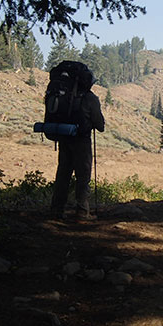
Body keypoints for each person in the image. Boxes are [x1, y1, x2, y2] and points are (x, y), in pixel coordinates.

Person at [50, 73, 105, 220]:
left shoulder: (65, 96)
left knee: (63, 174)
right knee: (83, 175)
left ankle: (56, 210)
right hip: (81, 141)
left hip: (64, 138)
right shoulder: (90, 98)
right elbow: (100, 125)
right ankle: (82, 211)